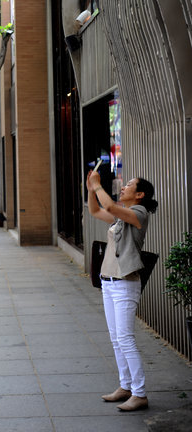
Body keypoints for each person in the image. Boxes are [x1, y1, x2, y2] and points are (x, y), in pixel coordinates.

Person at [87, 170, 158, 412]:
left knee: (125, 339)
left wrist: (98, 186)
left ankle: (139, 393)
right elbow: (96, 211)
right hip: (109, 282)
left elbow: (112, 207)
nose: (124, 187)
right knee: (116, 339)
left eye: (129, 185)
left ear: (140, 195)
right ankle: (125, 386)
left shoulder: (139, 213)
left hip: (125, 283)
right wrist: (90, 190)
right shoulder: (121, 218)